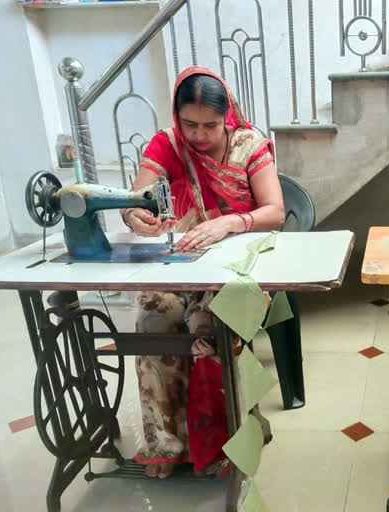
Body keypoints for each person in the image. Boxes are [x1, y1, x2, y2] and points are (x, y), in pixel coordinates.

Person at [120, 66, 285, 478]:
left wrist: (230, 222)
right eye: (189, 125)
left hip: (240, 266)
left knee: (209, 327)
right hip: (184, 262)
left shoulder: (249, 146)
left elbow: (275, 212)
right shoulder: (167, 146)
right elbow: (136, 198)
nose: (199, 136)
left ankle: (225, 440)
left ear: (226, 116)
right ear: (177, 118)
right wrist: (136, 215)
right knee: (152, 319)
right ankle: (167, 445)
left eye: (210, 126)